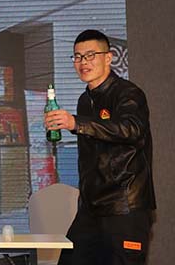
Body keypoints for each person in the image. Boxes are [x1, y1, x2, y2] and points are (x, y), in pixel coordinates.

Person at [44, 29, 156, 265]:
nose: (83, 62)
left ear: (109, 57)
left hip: (124, 206)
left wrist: (77, 123)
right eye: (77, 57)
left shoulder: (128, 93)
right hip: (91, 208)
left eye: (90, 55)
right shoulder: (85, 100)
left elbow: (131, 129)